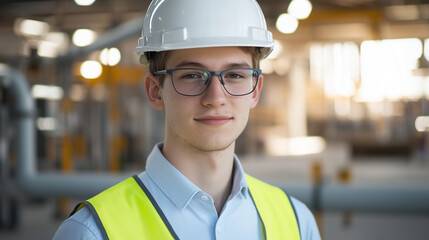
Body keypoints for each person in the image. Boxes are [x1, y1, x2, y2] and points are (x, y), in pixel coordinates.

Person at [53, 0, 321, 239]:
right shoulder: (91, 232)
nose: (215, 97)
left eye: (235, 75)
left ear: (256, 90)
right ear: (155, 91)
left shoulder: (297, 223)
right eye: (192, 75)